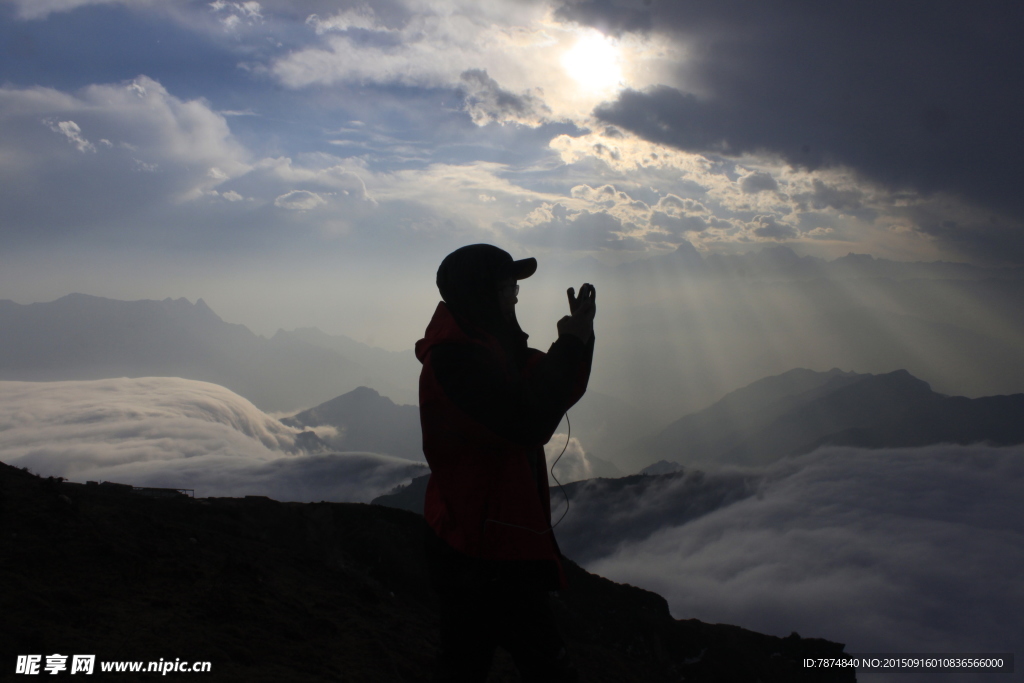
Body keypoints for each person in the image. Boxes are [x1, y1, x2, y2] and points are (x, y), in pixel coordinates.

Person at [415, 244, 596, 682]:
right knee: (547, 668)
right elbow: (526, 421)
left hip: (483, 544)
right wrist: (571, 344)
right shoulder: (457, 364)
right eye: (509, 287)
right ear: (486, 294)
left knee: (463, 664)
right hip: (486, 555)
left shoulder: (485, 350)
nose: (516, 295)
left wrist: (578, 337)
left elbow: (546, 389)